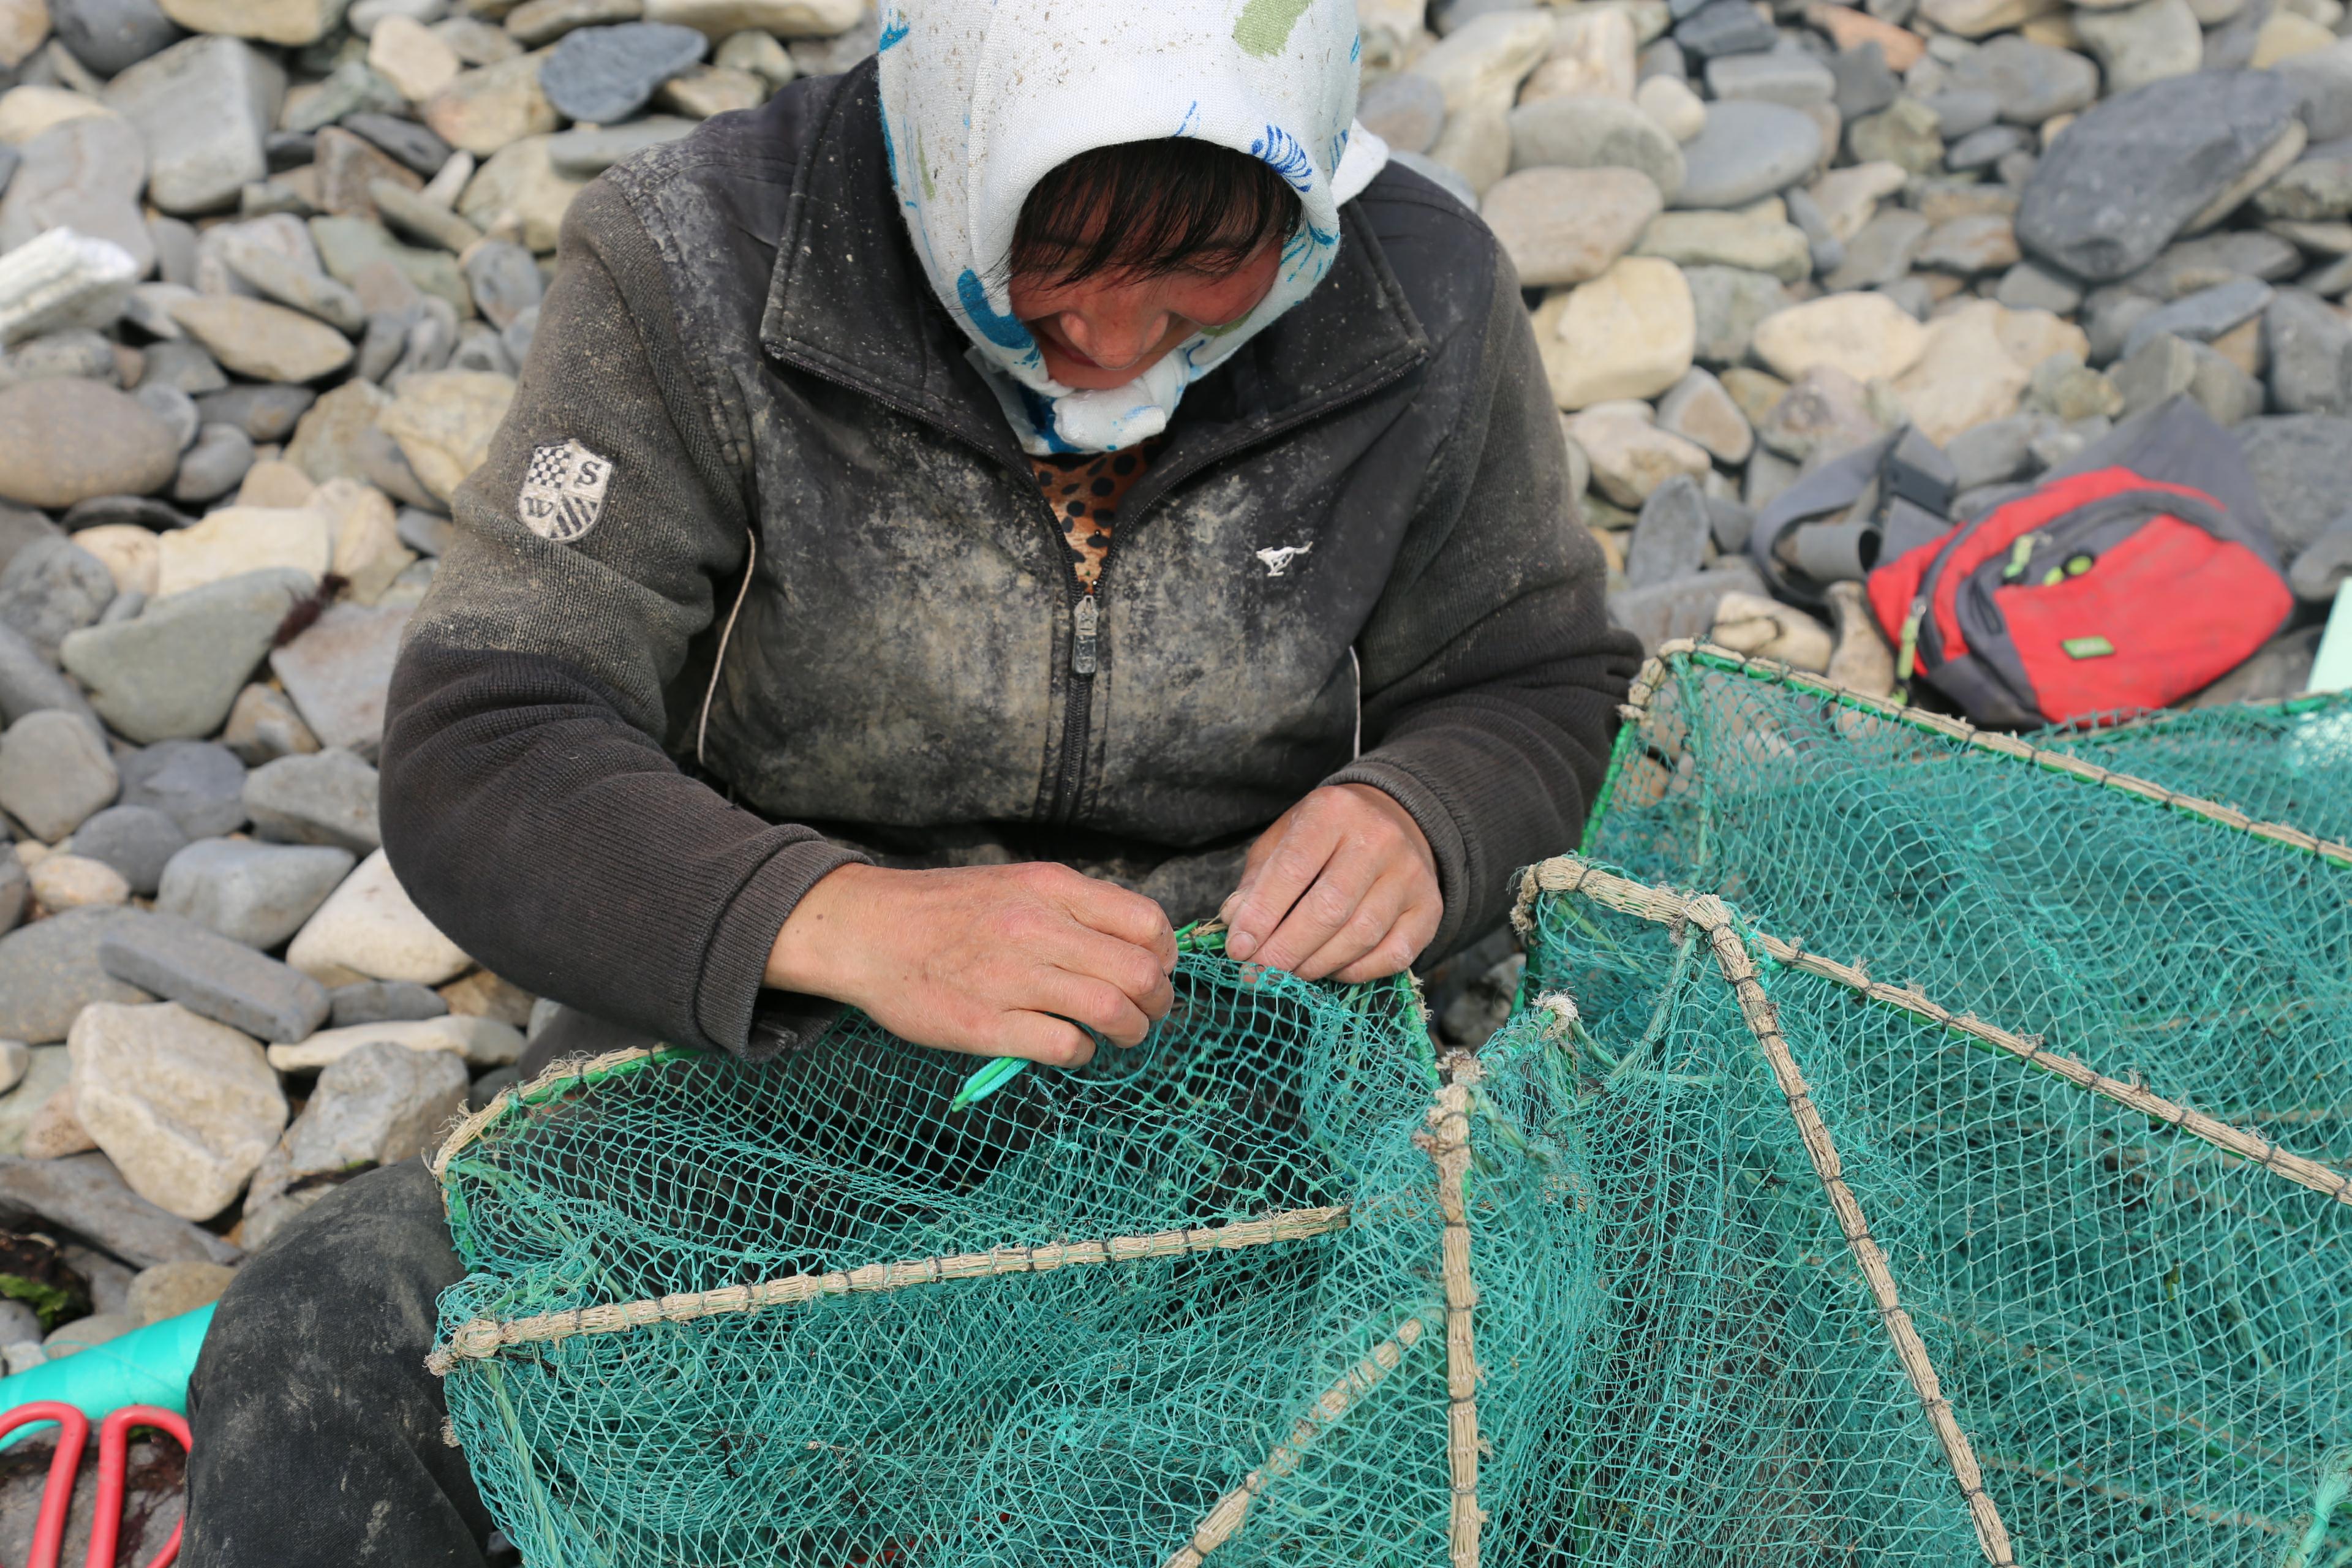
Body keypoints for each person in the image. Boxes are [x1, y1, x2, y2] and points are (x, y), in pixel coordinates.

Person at [180, 1, 1637, 1561]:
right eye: (1060, 257)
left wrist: (1426, 811)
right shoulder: (695, 259)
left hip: (1243, 1091)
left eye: (1203, 266)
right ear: (946, 157)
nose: (1123, 339)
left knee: (1637, 1312)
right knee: (324, 1327)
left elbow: (1539, 680)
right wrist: (850, 918)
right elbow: (487, 736)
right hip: (759, 1077)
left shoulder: (1420, 288)